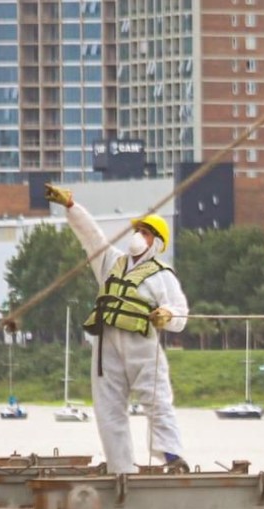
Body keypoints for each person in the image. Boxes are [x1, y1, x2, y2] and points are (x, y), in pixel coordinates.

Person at [44, 183, 191, 474]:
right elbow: (91, 236)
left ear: (157, 243)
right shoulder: (110, 261)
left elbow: (181, 313)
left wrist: (166, 315)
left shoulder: (163, 276)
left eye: (146, 232)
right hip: (106, 344)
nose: (138, 236)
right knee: (108, 409)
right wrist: (72, 207)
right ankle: (120, 468)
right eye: (138, 230)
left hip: (142, 343)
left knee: (157, 398)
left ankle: (172, 456)